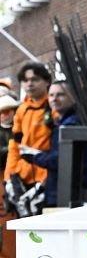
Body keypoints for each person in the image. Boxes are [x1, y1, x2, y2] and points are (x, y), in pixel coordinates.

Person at [3, 63, 55, 218]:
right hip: (22, 177)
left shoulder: (53, 107)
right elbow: (15, 144)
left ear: (46, 81)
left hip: (47, 177)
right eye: (25, 80)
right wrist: (9, 176)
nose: (29, 84)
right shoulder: (21, 110)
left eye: (35, 79)